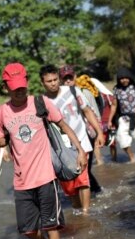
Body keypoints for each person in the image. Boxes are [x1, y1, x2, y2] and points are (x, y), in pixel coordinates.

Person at [0, 62, 86, 239]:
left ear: (27, 83)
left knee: (51, 225)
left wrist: (80, 150)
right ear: (6, 88)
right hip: (22, 180)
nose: (20, 92)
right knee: (27, 230)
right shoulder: (1, 112)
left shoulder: (40, 103)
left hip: (46, 175)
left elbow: (64, 125)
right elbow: (2, 140)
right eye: (15, 89)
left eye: (22, 87)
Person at [39, 64, 103, 215]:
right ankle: (76, 210)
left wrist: (99, 132)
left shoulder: (74, 91)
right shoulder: (41, 101)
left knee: (83, 181)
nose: (53, 83)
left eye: (55, 79)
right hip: (60, 148)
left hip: (81, 141)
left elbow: (87, 112)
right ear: (43, 82)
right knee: (69, 186)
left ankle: (86, 214)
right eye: (49, 81)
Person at [60, 65, 105, 193]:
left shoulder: (83, 92)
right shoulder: (57, 97)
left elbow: (94, 113)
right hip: (68, 139)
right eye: (65, 79)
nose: (67, 81)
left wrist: (98, 134)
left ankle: (94, 194)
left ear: (74, 77)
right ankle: (91, 193)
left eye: (70, 77)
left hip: (86, 136)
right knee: (75, 170)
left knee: (84, 169)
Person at [110, 68, 135, 163]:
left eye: (126, 78)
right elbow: (114, 105)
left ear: (130, 77)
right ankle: (132, 157)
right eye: (121, 78)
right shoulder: (117, 90)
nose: (124, 80)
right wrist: (110, 120)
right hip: (124, 117)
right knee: (121, 138)